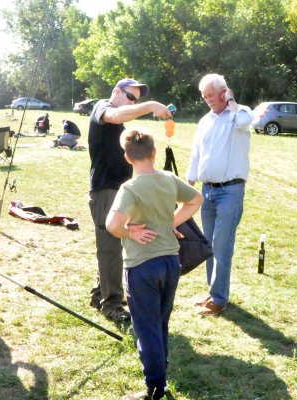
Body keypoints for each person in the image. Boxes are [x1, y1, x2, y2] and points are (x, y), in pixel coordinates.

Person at [106, 127, 203, 400]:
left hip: (141, 267)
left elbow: (112, 225)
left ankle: (155, 387)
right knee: (160, 323)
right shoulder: (169, 179)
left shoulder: (130, 187)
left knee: (146, 328)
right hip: (171, 264)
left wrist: (131, 232)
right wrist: (170, 223)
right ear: (154, 152)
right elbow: (196, 200)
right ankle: (161, 377)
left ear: (127, 158)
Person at [88, 78, 171, 322]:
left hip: (119, 189)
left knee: (116, 246)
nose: (134, 102)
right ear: (116, 92)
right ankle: (111, 304)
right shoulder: (103, 108)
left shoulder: (120, 120)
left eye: (138, 99)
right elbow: (114, 115)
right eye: (130, 97)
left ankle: (100, 294)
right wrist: (150, 106)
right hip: (105, 190)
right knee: (110, 247)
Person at [186, 73, 253, 316]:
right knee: (209, 246)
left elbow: (246, 122)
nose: (207, 100)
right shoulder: (205, 120)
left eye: (211, 95)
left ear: (224, 92)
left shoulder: (239, 114)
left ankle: (219, 299)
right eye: (204, 96)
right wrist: (190, 183)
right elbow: (196, 152)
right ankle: (213, 294)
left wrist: (232, 101)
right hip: (207, 191)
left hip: (230, 191)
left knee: (222, 246)